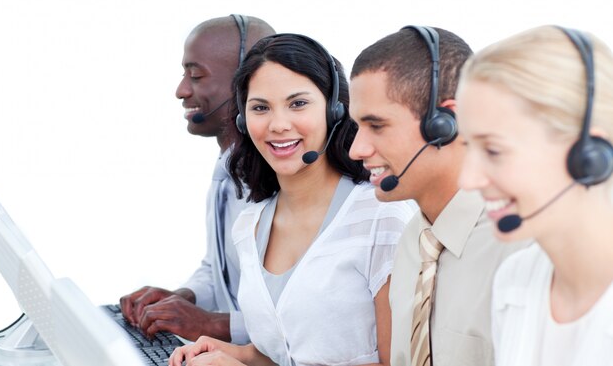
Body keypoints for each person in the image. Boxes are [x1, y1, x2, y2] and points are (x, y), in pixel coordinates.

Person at [169, 33, 418, 366]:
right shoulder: (250, 225)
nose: (278, 124)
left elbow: (398, 364)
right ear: (243, 119)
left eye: (298, 103)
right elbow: (286, 355)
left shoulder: (380, 217)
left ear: (334, 109)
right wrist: (227, 352)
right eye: (260, 108)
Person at [347, 26, 526, 366]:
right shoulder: (413, 243)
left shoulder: (521, 248)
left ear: (447, 121)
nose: (357, 148)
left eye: (377, 126)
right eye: (357, 126)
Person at [456, 25, 613, 365]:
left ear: (588, 154)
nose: (467, 179)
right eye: (468, 146)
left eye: (494, 150)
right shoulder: (516, 280)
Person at [119, 15, 275, 343]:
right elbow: (218, 268)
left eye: (196, 75)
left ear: (245, 82)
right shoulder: (227, 167)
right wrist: (185, 297)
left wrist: (210, 324)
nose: (181, 90)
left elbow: (297, 317)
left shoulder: (281, 182)